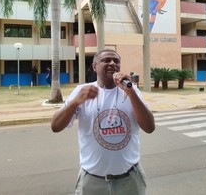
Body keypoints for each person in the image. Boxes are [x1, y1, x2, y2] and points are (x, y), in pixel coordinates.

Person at [51, 49, 155, 195]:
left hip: (129, 180)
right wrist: (75, 102)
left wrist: (131, 93)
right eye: (106, 60)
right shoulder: (82, 91)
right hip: (92, 182)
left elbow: (149, 127)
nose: (112, 63)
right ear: (94, 66)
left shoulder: (132, 91)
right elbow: (55, 126)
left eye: (116, 61)